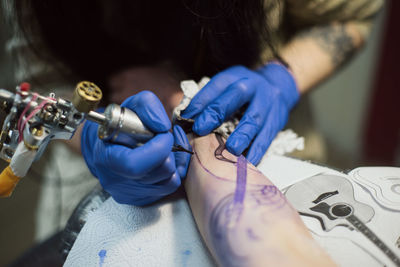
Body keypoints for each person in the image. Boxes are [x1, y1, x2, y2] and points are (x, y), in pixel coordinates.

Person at [5, 0, 382, 220]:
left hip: (271, 142)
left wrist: (282, 78)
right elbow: (42, 78)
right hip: (97, 181)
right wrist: (89, 132)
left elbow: (348, 15)